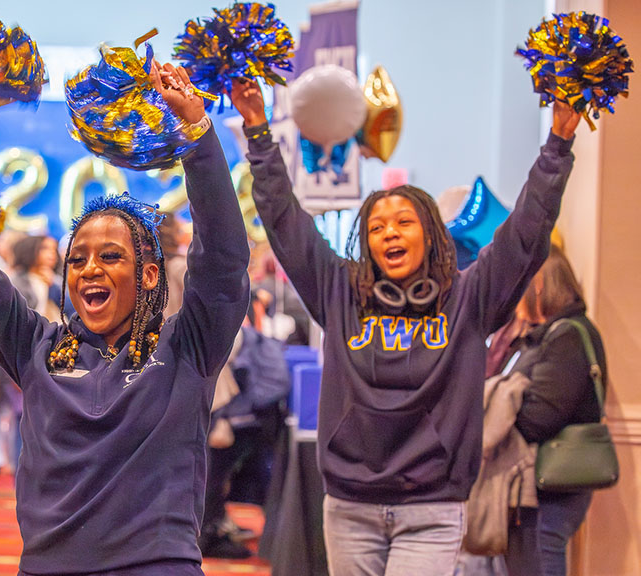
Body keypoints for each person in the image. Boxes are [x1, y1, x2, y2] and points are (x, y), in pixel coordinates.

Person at [0, 61, 249, 575]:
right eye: (78, 258)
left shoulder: (188, 347)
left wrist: (198, 136)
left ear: (151, 275)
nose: (90, 268)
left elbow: (223, 259)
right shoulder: (35, 347)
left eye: (111, 256)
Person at [231, 78, 580, 575]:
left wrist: (558, 144)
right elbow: (285, 222)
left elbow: (525, 235)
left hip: (433, 511)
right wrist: (258, 131)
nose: (389, 232)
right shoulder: (338, 290)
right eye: (376, 227)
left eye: (404, 222)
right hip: (349, 506)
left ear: (431, 235)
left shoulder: (469, 297)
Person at [497, 246, 605, 576]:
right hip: (538, 488)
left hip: (550, 490)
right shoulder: (546, 335)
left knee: (539, 563)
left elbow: (540, 418)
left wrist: (498, 412)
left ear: (539, 283)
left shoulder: (567, 336)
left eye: (519, 284)